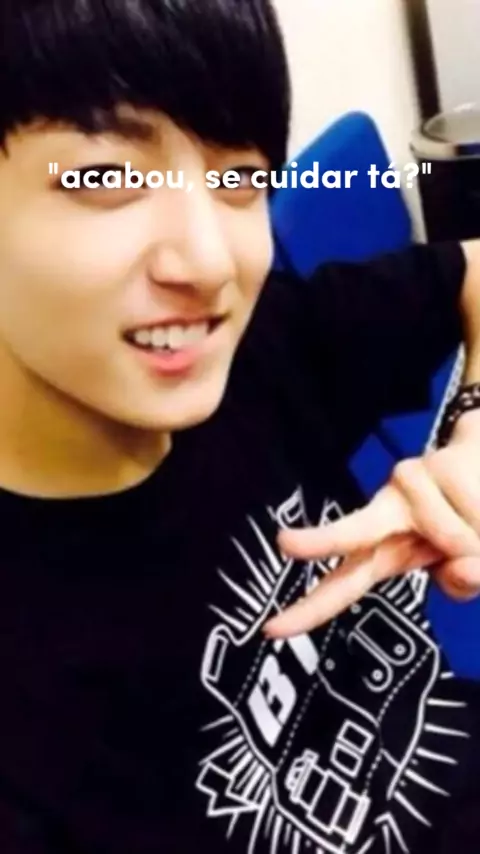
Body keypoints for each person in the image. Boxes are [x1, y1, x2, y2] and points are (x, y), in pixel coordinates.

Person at [0, 1, 480, 852]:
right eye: (104, 178)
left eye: (240, 181)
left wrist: (473, 428)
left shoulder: (260, 350)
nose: (211, 262)